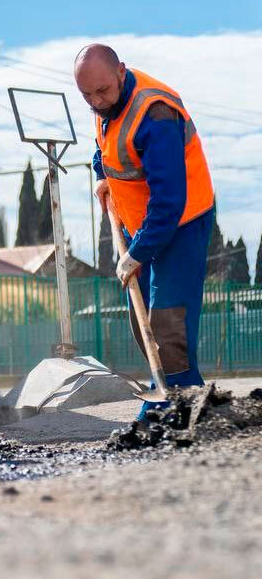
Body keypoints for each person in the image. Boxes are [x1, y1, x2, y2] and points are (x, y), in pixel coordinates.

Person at [74, 44, 215, 419]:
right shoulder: (101, 102)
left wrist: (136, 253)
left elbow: (169, 201)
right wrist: (103, 176)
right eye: (86, 95)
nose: (96, 101)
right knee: (143, 319)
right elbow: (105, 146)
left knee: (168, 320)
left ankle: (182, 404)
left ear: (121, 71)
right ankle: (168, 391)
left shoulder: (156, 114)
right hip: (142, 223)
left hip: (182, 221)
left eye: (101, 91)